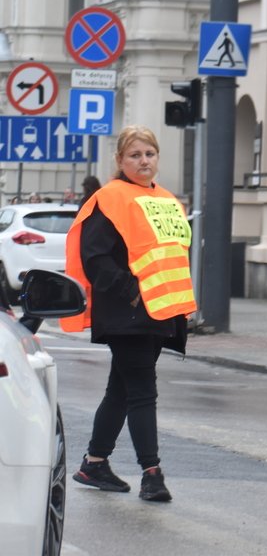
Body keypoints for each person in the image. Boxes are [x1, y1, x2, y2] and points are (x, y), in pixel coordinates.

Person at [61, 125, 196, 502]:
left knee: (121, 389)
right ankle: (152, 474)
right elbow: (95, 257)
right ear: (120, 160)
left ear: (157, 157)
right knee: (142, 391)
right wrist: (131, 292)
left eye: (149, 154)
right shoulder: (109, 198)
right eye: (135, 155)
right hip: (128, 313)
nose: (143, 161)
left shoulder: (168, 200)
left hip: (160, 311)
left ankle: (94, 464)